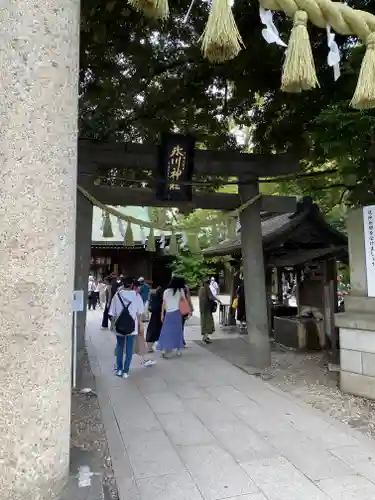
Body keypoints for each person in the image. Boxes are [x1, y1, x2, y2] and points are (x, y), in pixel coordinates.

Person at [109, 277, 144, 378]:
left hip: (120, 325)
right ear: (132, 285)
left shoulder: (117, 295)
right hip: (132, 326)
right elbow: (140, 313)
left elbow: (112, 312)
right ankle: (126, 371)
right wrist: (140, 326)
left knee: (120, 346)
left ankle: (119, 370)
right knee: (129, 348)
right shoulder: (137, 296)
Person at [158, 276, 189, 357]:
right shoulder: (180, 291)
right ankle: (178, 350)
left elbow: (163, 304)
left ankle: (164, 350)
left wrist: (162, 314)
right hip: (177, 313)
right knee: (178, 331)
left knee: (166, 331)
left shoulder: (166, 291)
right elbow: (184, 301)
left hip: (168, 313)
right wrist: (188, 311)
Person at [199, 278, 221, 344]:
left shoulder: (201, 289)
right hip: (207, 308)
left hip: (202, 308)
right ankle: (205, 338)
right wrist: (217, 300)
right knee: (208, 323)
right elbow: (210, 296)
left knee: (204, 322)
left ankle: (205, 337)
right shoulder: (207, 288)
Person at [146, 285, 164, 352]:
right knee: (161, 331)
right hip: (162, 315)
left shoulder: (153, 296)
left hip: (154, 316)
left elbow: (150, 307)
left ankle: (149, 347)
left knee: (152, 330)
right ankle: (162, 346)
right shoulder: (163, 298)